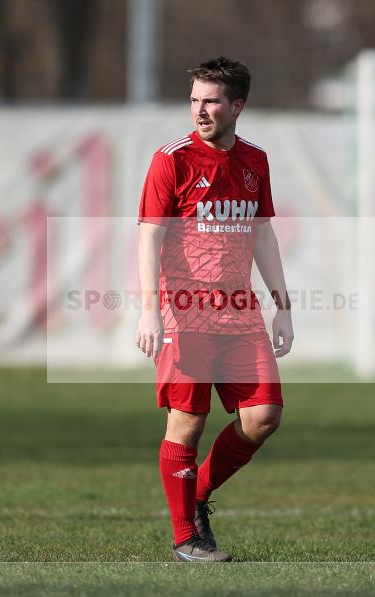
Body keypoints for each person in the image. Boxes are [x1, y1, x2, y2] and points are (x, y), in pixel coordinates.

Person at [136, 56, 293, 562]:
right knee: (187, 423)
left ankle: (197, 493)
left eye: (211, 101)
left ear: (237, 106)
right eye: (194, 100)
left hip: (240, 311)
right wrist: (150, 310)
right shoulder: (172, 160)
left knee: (264, 415)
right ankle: (187, 537)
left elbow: (263, 232)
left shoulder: (255, 161)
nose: (199, 110)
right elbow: (149, 237)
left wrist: (282, 305)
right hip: (185, 311)